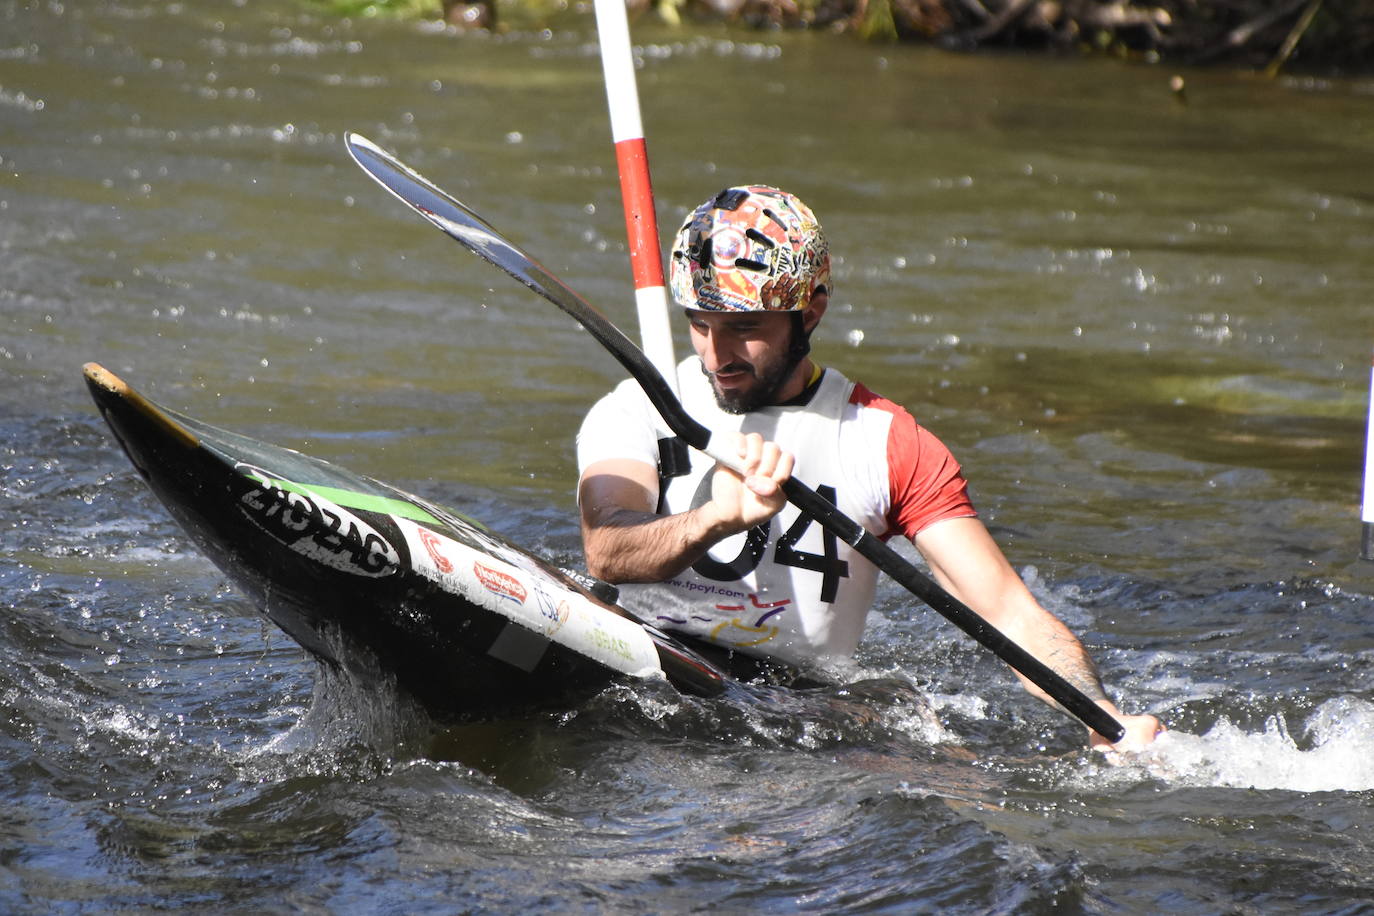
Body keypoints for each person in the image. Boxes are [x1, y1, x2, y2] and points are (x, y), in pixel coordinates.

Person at [576, 185, 1161, 750]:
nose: (716, 354)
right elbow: (606, 549)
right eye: (699, 323)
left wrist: (1104, 716)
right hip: (642, 665)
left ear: (809, 315)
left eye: (744, 328)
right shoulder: (636, 406)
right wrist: (714, 519)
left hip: (793, 712)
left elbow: (1007, 612)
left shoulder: (886, 442)